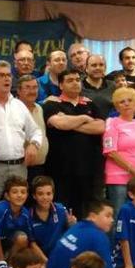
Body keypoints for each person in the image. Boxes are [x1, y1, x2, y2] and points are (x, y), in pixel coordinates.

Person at [0, 61, 42, 207]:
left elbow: (36, 131)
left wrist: (34, 145)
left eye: (8, 75)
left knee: (17, 209)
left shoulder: (19, 105)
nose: (7, 79)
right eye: (1, 75)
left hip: (19, 166)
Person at [46, 199, 130, 268]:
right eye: (108, 216)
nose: (112, 220)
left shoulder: (77, 226)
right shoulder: (99, 237)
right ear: (93, 216)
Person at [43, 69, 105, 217]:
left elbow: (100, 127)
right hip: (61, 169)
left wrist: (70, 121)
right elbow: (59, 124)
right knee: (63, 210)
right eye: (70, 80)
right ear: (61, 85)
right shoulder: (51, 104)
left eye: (77, 79)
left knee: (87, 210)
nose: (75, 83)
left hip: (89, 168)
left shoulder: (90, 104)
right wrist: (85, 118)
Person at [103, 87, 135, 213]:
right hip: (119, 179)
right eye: (122, 101)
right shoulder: (112, 122)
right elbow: (110, 152)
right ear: (117, 106)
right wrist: (133, 170)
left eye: (130, 100)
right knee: (118, 216)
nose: (126, 104)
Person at [0, 177, 40, 268]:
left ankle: (11, 266)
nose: (19, 195)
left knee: (22, 237)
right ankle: (1, 266)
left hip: (7, 243)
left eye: (23, 192)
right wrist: (1, 263)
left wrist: (43, 261)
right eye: (15, 192)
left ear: (27, 195)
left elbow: (31, 241)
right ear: (7, 196)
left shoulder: (25, 214)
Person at [29, 176, 75, 260]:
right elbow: (32, 244)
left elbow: (71, 235)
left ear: (53, 194)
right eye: (40, 194)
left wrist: (72, 225)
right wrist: (46, 262)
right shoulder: (29, 215)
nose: (45, 197)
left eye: (48, 193)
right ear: (34, 195)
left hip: (60, 255)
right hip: (39, 258)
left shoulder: (61, 210)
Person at [17, 75, 49, 183]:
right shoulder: (13, 109)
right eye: (27, 87)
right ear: (19, 90)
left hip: (40, 167)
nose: (32, 91)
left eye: (35, 87)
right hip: (21, 167)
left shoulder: (39, 108)